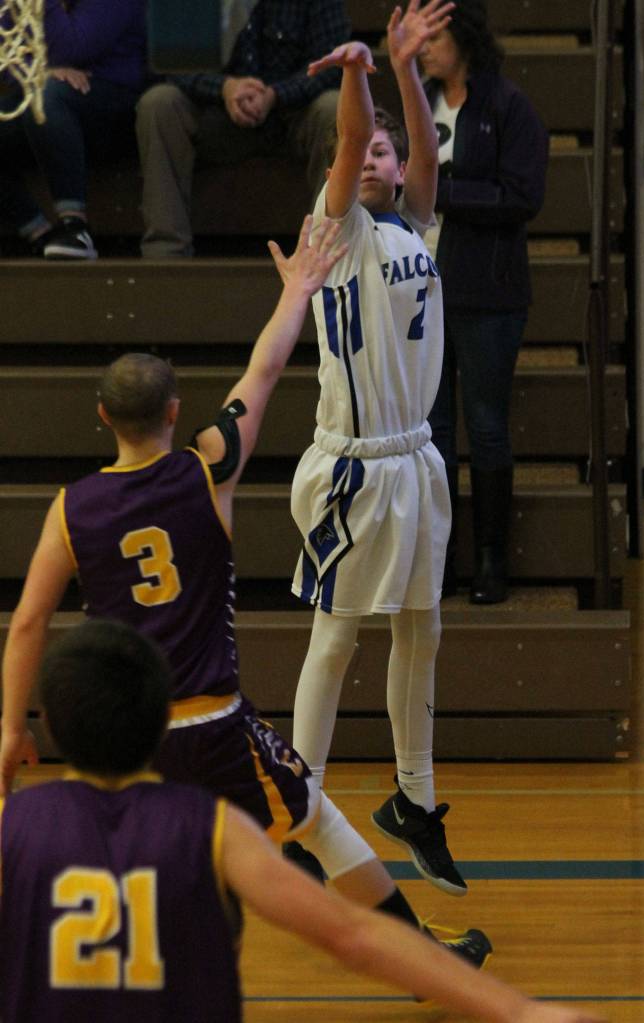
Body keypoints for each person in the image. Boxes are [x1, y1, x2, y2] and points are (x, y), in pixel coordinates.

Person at [0, 215, 491, 970]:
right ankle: (423, 962)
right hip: (214, 720)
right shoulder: (209, 467)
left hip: (127, 731)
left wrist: (12, 726)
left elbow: (29, 620)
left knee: (115, 844)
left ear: (102, 418)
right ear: (173, 412)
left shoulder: (72, 508)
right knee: (318, 820)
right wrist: (299, 286)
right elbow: (262, 371)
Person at [0, 619, 606, 1023]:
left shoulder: (14, 825)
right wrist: (519, 1011)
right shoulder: (213, 829)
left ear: (48, 719)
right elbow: (355, 936)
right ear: (163, 718)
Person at [287, 1, 466, 897]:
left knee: (421, 629)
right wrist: (362, 72)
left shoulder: (415, 224)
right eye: (361, 156)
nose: (371, 162)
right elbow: (355, 134)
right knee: (336, 636)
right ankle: (300, 799)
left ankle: (414, 798)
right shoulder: (339, 228)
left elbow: (429, 153)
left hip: (416, 459)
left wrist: (403, 67)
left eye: (385, 157)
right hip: (353, 464)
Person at [421, 0, 549, 603]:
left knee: (488, 427)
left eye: (434, 36)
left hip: (489, 292)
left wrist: (442, 192)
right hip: (423, 292)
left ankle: (493, 562)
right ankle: (443, 558)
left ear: (463, 38)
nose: (424, 46)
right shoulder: (420, 100)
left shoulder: (507, 105)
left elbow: (523, 196)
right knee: (435, 431)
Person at [135, 0, 351, 258]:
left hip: (293, 114)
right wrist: (224, 88)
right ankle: (166, 253)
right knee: (159, 103)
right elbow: (168, 62)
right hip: (214, 113)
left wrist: (274, 95)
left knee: (335, 107)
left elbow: (331, 63)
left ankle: (325, 253)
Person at [0, 0, 147, 259]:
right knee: (42, 94)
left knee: (46, 98)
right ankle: (39, 233)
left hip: (114, 97)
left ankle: (75, 227)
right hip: (52, 89)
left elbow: (74, 47)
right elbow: (6, 51)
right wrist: (41, 70)